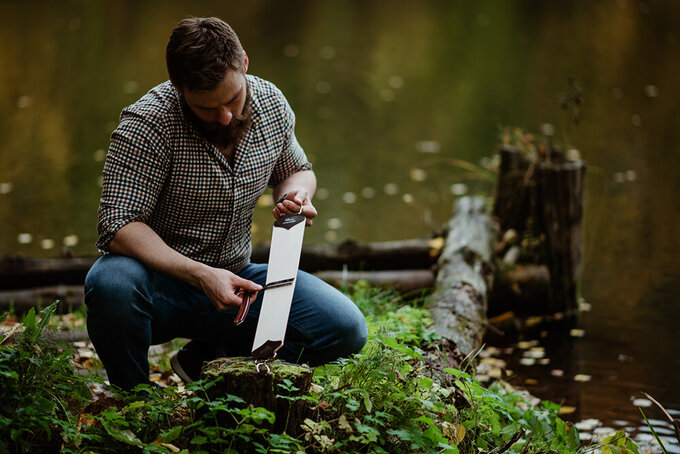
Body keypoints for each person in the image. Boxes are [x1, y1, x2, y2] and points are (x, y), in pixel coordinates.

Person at [84, 17, 368, 391]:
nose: (226, 116)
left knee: (344, 327)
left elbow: (298, 169)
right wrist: (200, 274)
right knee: (110, 281)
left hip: (239, 283)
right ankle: (134, 398)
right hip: (160, 288)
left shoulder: (271, 103)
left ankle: (207, 359)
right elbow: (118, 226)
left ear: (244, 63)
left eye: (233, 98)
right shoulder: (147, 123)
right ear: (178, 87)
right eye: (207, 108)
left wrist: (295, 194)